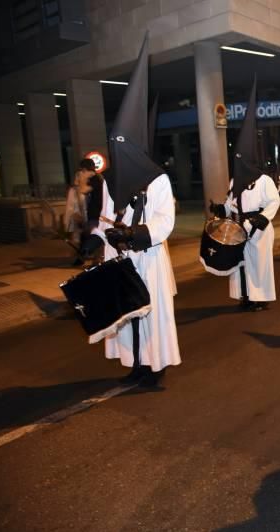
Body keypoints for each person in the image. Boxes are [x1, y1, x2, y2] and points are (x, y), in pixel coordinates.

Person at [80, 34, 180, 388]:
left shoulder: (157, 181)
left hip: (147, 258)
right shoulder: (109, 181)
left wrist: (135, 235)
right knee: (126, 314)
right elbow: (105, 214)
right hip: (118, 258)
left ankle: (154, 366)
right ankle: (136, 362)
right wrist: (93, 239)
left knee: (148, 314)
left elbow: (165, 221)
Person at [210, 78, 280, 311]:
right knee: (240, 263)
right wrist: (223, 209)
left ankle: (260, 297)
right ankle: (245, 295)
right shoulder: (235, 181)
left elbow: (274, 200)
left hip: (258, 228)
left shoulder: (264, 180)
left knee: (258, 264)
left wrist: (260, 219)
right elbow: (231, 202)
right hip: (239, 226)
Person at [64, 167, 90, 265]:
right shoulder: (73, 190)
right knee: (78, 239)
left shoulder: (90, 188)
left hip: (89, 218)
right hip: (78, 218)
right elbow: (70, 206)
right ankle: (80, 258)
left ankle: (88, 256)